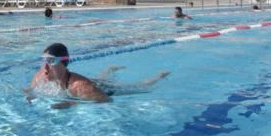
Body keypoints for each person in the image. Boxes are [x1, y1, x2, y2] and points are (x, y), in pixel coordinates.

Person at [24, 43, 170, 109]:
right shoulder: (40, 76)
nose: (45, 67)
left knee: (139, 86)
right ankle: (110, 69)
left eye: (51, 61)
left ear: (64, 63)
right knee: (101, 78)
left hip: (101, 89)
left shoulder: (80, 86)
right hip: (91, 82)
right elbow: (29, 91)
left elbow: (106, 100)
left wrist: (73, 103)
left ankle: (160, 75)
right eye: (43, 61)